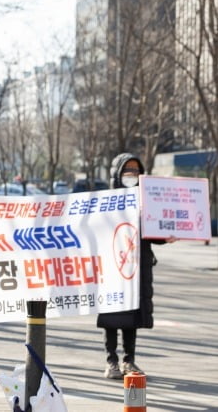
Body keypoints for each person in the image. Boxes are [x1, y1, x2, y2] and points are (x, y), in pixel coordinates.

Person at [97, 152, 173, 380]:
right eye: (127, 170)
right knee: (111, 316)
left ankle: (129, 360)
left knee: (131, 316)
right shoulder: (105, 202)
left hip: (137, 267)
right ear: (117, 174)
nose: (132, 175)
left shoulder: (145, 201)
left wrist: (165, 236)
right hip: (112, 266)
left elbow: (151, 231)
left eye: (135, 171)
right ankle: (111, 361)